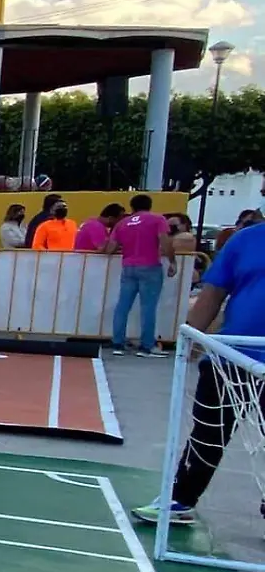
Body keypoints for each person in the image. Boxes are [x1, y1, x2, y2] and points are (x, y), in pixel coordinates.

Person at [134, 220, 265, 526]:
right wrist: (189, 341)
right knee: (207, 434)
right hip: (232, 357)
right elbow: (212, 294)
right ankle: (180, 499)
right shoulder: (246, 240)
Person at [104, 193, 175, 357]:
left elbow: (110, 249)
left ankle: (118, 343)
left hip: (128, 266)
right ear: (149, 205)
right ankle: (146, 346)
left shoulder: (122, 223)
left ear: (132, 207)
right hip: (150, 265)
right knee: (148, 307)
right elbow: (165, 241)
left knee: (123, 306)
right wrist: (172, 261)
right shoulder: (158, 220)